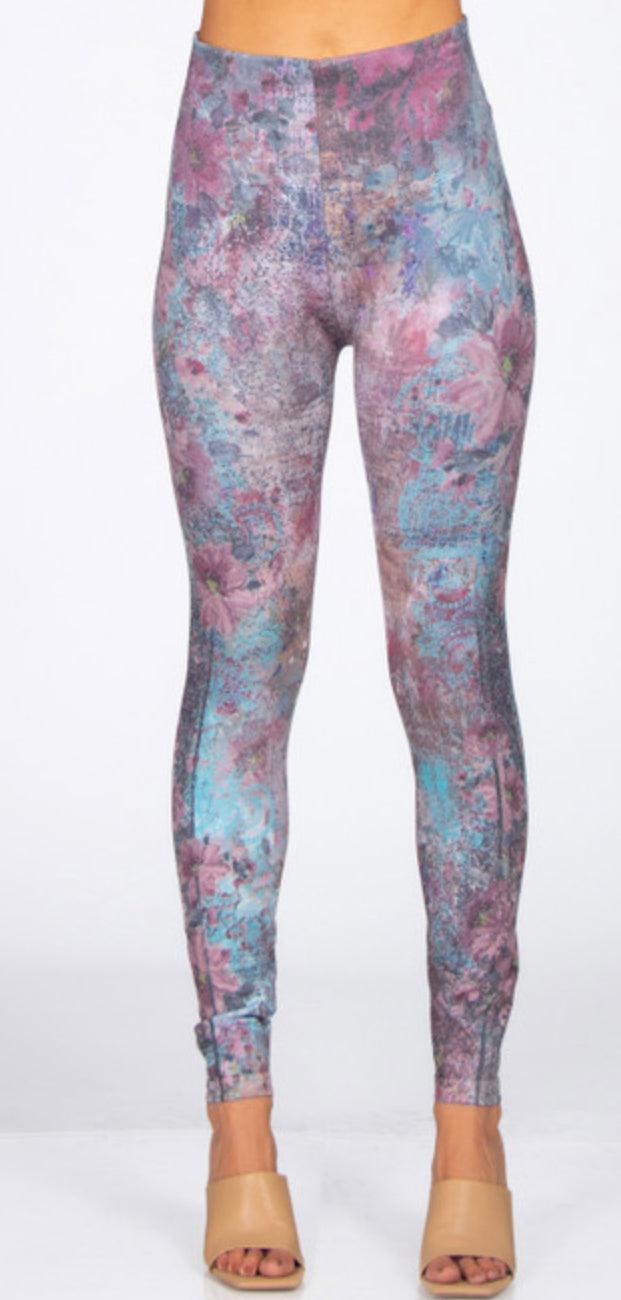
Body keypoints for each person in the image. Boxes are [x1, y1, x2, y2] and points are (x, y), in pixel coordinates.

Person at [151, 0, 536, 1292]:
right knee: (242, 657)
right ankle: (239, 1131)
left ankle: (469, 1134)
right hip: (234, 178)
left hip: (433, 172)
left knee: (452, 666)